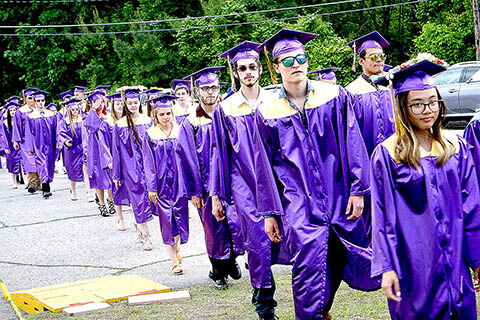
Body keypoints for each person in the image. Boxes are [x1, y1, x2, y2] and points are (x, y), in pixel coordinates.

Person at [255, 29, 380, 319]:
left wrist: (358, 189)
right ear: (276, 68)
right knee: (307, 260)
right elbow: (264, 165)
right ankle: (312, 315)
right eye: (288, 61)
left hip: (338, 190)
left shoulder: (334, 96)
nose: (296, 64)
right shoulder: (267, 112)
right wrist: (270, 213)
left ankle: (323, 310)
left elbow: (353, 142)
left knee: (338, 253)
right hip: (298, 198)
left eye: (301, 58)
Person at [371, 59, 480, 320]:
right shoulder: (388, 154)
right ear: (402, 107)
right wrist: (386, 267)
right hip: (414, 264)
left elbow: (472, 207)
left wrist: (476, 259)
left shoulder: (455, 146)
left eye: (432, 101)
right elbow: (381, 216)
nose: (427, 110)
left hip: (455, 264)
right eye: (417, 104)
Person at [212, 40, 288, 319]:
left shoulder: (276, 99)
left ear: (260, 70)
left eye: (252, 67)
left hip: (279, 179)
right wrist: (216, 196)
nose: (248, 72)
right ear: (236, 72)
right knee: (257, 241)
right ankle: (264, 304)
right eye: (242, 68)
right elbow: (219, 152)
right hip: (244, 183)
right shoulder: (227, 108)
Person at [178, 66, 244, 290]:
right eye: (205, 88)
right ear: (197, 91)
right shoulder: (191, 122)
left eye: (214, 87)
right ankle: (218, 272)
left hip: (232, 181)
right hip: (206, 186)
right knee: (213, 230)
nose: (210, 92)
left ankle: (232, 260)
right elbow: (187, 158)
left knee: (234, 222)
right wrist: (195, 191)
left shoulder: (228, 113)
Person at [142, 95, 189, 275]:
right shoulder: (150, 134)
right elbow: (148, 162)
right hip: (161, 186)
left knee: (179, 219)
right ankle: (174, 261)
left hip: (180, 184)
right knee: (166, 221)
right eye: (161, 114)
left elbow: (187, 158)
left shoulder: (181, 130)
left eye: (168, 113)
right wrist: (151, 187)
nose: (165, 117)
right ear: (156, 116)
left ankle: (176, 246)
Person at [112, 89, 154, 250]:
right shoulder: (120, 125)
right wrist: (116, 174)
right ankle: (146, 236)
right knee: (138, 200)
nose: (133, 105)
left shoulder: (148, 120)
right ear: (125, 104)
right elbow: (115, 150)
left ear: (140, 102)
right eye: (129, 103)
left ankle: (142, 226)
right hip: (131, 169)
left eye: (135, 102)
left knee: (152, 200)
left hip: (149, 166)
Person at [345, 31, 395, 156]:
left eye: (382, 56)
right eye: (373, 57)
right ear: (361, 61)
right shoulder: (351, 92)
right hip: (366, 155)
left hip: (394, 151)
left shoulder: (391, 87)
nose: (379, 60)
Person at [82, 91, 115, 215]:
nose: (99, 105)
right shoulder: (87, 117)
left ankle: (111, 201)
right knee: (98, 177)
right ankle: (101, 204)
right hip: (95, 152)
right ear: (91, 104)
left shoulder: (109, 116)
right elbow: (90, 127)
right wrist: (93, 110)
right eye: (96, 102)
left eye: (101, 101)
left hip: (108, 150)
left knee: (111, 176)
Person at [24, 90, 59, 198]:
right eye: (38, 100)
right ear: (34, 102)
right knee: (41, 164)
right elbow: (28, 133)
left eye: (42, 100)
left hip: (50, 144)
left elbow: (56, 129)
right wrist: (30, 147)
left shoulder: (51, 114)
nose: (40, 103)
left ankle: (47, 182)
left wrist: (58, 141)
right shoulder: (30, 116)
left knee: (49, 165)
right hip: (38, 145)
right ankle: (45, 187)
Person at [105, 93, 130, 231]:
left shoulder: (130, 121)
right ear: (113, 106)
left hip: (129, 160)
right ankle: (120, 218)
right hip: (114, 160)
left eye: (122, 103)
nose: (120, 106)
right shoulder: (108, 123)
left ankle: (138, 220)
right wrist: (109, 160)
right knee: (118, 189)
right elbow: (103, 144)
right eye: (117, 104)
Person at [12, 88, 41, 193]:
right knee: (29, 161)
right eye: (29, 98)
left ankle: (40, 181)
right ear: (25, 99)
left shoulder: (40, 110)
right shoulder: (21, 111)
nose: (32, 100)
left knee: (39, 160)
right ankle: (32, 183)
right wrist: (16, 140)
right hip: (25, 140)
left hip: (39, 139)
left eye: (34, 98)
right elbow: (16, 126)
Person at [57, 99, 85, 201]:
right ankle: (73, 190)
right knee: (72, 171)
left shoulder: (83, 119)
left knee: (87, 169)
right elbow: (61, 133)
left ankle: (89, 191)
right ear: (69, 110)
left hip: (83, 147)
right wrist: (66, 141)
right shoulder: (64, 122)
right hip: (71, 149)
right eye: (73, 109)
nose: (75, 111)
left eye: (77, 109)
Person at [0, 102, 22, 188]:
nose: (13, 112)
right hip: (10, 145)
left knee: (23, 163)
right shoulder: (5, 122)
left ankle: (27, 181)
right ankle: (14, 182)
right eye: (11, 110)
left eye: (14, 110)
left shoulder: (20, 120)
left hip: (20, 144)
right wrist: (5, 147)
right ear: (8, 112)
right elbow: (3, 135)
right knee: (12, 163)